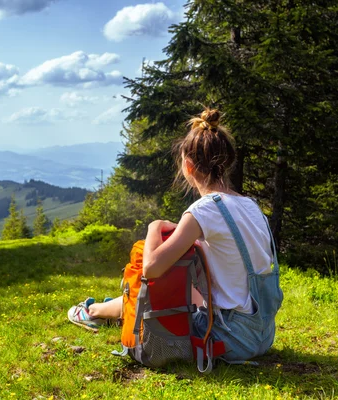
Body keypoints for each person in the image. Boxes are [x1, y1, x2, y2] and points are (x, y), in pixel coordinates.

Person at [67, 108, 283, 362]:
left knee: (159, 285)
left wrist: (155, 227)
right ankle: (101, 310)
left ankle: (94, 311)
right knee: (184, 281)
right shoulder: (251, 205)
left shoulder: (204, 210)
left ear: (188, 167)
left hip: (230, 338)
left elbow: (152, 268)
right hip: (262, 334)